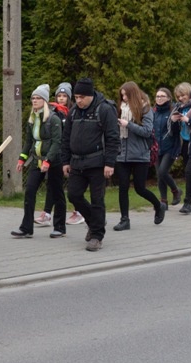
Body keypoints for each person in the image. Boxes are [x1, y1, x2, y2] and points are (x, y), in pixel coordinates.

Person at [61, 78, 120, 252]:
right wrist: (65, 161)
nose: (78, 100)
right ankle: (94, 222)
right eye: (76, 97)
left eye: (81, 97)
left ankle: (96, 236)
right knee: (73, 195)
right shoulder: (73, 112)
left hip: (98, 163)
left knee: (97, 200)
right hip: (77, 162)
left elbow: (112, 138)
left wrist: (110, 163)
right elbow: (66, 138)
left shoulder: (105, 109)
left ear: (90, 95)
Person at [11, 84, 66, 238]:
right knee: (29, 191)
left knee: (57, 193)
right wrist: (21, 159)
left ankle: (60, 227)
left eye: (38, 98)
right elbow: (28, 142)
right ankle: (26, 228)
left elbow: (57, 142)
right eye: (33, 98)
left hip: (53, 161)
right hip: (37, 161)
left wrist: (48, 160)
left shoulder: (53, 119)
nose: (34, 101)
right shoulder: (32, 119)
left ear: (45, 101)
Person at [113, 81, 164, 230]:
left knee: (140, 188)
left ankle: (158, 205)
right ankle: (124, 219)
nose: (123, 98)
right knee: (122, 187)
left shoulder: (145, 108)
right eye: (122, 95)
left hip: (140, 154)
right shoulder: (120, 109)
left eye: (126, 95)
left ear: (133, 94)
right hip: (122, 154)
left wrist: (128, 124)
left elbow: (147, 131)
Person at [35, 82, 85, 226]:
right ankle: (47, 213)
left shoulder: (74, 112)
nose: (61, 99)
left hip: (72, 153)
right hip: (57, 153)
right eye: (59, 96)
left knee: (75, 185)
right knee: (53, 184)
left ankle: (80, 212)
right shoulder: (52, 112)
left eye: (64, 96)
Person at [170, 83, 191, 214]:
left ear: (189, 93)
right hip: (184, 143)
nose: (180, 98)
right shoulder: (179, 107)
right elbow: (175, 130)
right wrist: (174, 121)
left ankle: (187, 202)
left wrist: (188, 120)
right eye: (178, 96)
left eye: (183, 95)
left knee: (189, 171)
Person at [153, 87, 182, 209]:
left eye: (162, 96)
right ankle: (163, 201)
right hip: (156, 148)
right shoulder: (153, 112)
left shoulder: (173, 111)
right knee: (159, 175)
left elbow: (176, 132)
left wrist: (175, 121)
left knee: (162, 171)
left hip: (170, 147)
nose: (159, 98)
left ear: (168, 98)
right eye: (157, 96)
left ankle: (176, 191)